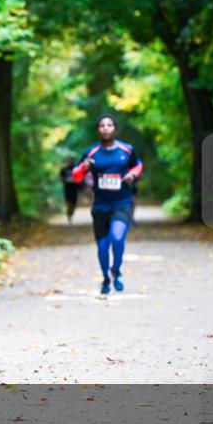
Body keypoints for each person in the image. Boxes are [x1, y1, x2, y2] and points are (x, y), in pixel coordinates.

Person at [70, 114, 143, 295]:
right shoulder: (91, 152)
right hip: (101, 206)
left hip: (122, 203)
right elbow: (76, 176)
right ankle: (105, 278)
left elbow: (139, 166)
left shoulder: (127, 150)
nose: (106, 128)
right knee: (103, 247)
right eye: (102, 126)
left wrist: (132, 175)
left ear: (115, 128)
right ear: (98, 130)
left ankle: (116, 270)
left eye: (109, 125)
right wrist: (84, 167)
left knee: (117, 238)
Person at [60, 157, 79, 224]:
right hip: (67, 188)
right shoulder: (64, 169)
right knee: (68, 202)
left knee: (74, 203)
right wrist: (65, 180)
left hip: (75, 188)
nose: (70, 161)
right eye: (69, 160)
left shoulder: (77, 169)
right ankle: (69, 215)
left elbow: (80, 177)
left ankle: (71, 213)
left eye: (71, 160)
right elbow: (61, 178)